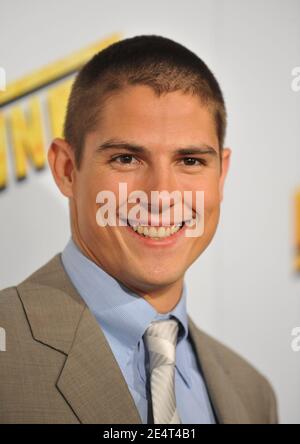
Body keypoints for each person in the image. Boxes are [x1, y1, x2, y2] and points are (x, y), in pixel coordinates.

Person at [0, 35, 278, 424]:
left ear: (221, 175)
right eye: (126, 158)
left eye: (191, 161)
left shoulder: (252, 394)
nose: (161, 195)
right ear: (67, 169)